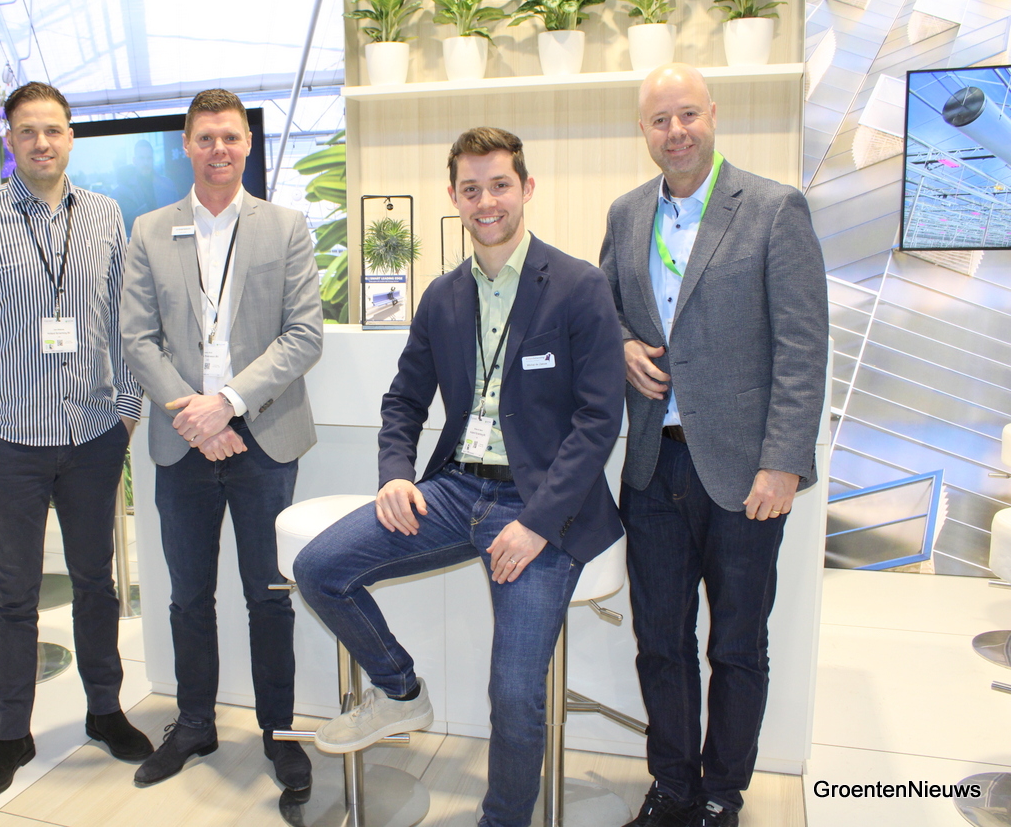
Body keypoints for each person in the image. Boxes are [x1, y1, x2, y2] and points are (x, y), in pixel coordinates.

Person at [293, 127, 626, 827]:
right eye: (471, 189)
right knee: (319, 567)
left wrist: (536, 524)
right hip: (455, 489)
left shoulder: (578, 286)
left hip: (541, 505)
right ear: (454, 196)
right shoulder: (443, 296)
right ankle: (400, 690)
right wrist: (395, 475)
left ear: (526, 188)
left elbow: (598, 421)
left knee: (514, 693)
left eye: (499, 185)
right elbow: (403, 401)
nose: (486, 201)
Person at [599, 64, 828, 827]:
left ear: (713, 115)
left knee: (735, 645)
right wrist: (621, 344)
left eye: (688, 114)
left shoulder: (772, 208)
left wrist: (783, 462)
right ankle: (673, 787)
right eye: (660, 120)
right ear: (643, 130)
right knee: (660, 643)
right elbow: (601, 310)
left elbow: (803, 347)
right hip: (652, 465)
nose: (676, 132)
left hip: (744, 473)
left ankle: (723, 793)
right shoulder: (627, 214)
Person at [0, 80, 152, 801]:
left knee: (97, 582)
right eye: (27, 131)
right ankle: (11, 735)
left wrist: (127, 411)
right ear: (9, 139)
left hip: (93, 434)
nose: (41, 142)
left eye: (53, 129)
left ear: (70, 137)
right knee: (15, 595)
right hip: (9, 441)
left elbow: (126, 320)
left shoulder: (105, 215)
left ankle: (104, 711)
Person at [120, 88, 322, 796]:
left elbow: (304, 335)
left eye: (231, 137)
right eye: (205, 137)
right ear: (187, 144)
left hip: (263, 439)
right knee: (187, 596)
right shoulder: (149, 230)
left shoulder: (285, 226)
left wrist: (227, 406)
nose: (219, 150)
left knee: (269, 595)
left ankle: (279, 733)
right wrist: (195, 417)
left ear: (247, 144)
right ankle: (194, 724)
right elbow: (136, 338)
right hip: (185, 444)